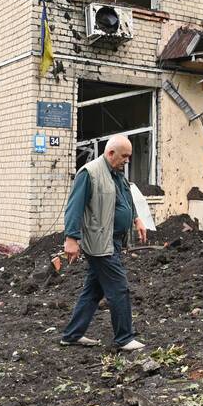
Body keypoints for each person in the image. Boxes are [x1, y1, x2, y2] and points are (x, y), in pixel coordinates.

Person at [60, 134, 148, 351]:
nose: (127, 160)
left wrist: (136, 218)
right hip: (100, 242)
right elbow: (74, 207)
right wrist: (71, 238)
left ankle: (72, 335)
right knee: (119, 288)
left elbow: (126, 199)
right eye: (124, 156)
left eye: (129, 156)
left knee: (93, 290)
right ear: (110, 153)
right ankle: (124, 338)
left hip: (114, 241)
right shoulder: (89, 173)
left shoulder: (117, 174)